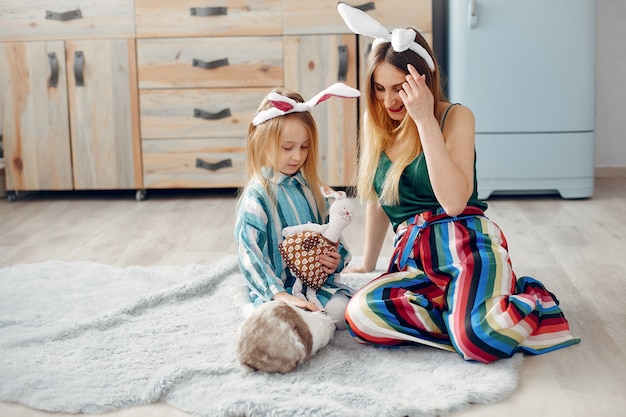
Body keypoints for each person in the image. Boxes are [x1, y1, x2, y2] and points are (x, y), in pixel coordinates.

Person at [337, 3, 580, 362]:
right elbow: (378, 199)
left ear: (422, 81)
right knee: (360, 315)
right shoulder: (380, 128)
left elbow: (453, 201)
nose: (389, 100)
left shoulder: (455, 117)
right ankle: (463, 319)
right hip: (415, 258)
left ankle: (523, 302)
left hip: (466, 242)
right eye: (379, 88)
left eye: (399, 88)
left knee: (478, 341)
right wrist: (368, 262)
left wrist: (424, 121)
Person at [233, 82, 360, 330]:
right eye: (287, 147)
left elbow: (333, 233)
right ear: (261, 142)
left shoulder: (312, 189)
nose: (297, 156)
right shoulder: (257, 197)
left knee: (345, 315)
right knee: (284, 323)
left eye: (304, 147)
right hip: (277, 289)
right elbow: (249, 252)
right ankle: (249, 303)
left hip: (314, 285)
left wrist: (337, 260)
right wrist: (280, 294)